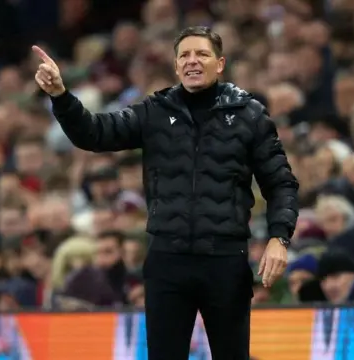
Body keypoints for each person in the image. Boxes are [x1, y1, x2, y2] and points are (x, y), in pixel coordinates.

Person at [33, 26, 299, 359]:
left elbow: (281, 183)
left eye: (201, 54)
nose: (192, 61)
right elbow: (95, 134)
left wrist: (279, 238)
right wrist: (61, 95)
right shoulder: (154, 111)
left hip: (225, 260)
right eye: (184, 55)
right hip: (166, 262)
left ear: (220, 63)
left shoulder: (250, 115)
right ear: (175, 67)